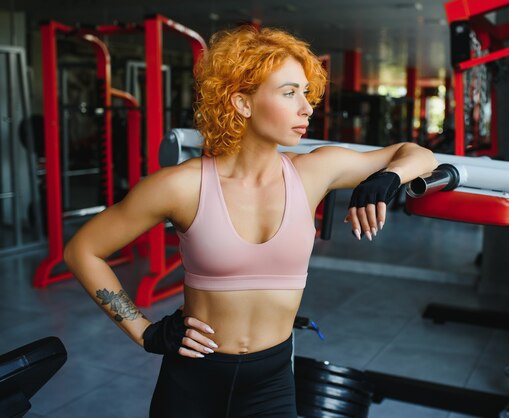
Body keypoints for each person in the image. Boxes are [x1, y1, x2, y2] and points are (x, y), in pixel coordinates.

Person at [64, 25, 437, 418]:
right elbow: (83, 250)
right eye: (289, 93)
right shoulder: (182, 186)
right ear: (242, 103)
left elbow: (418, 153)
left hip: (271, 380)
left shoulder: (313, 173)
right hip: (192, 379)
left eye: (305, 93)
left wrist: (388, 178)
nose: (306, 107)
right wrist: (142, 330)